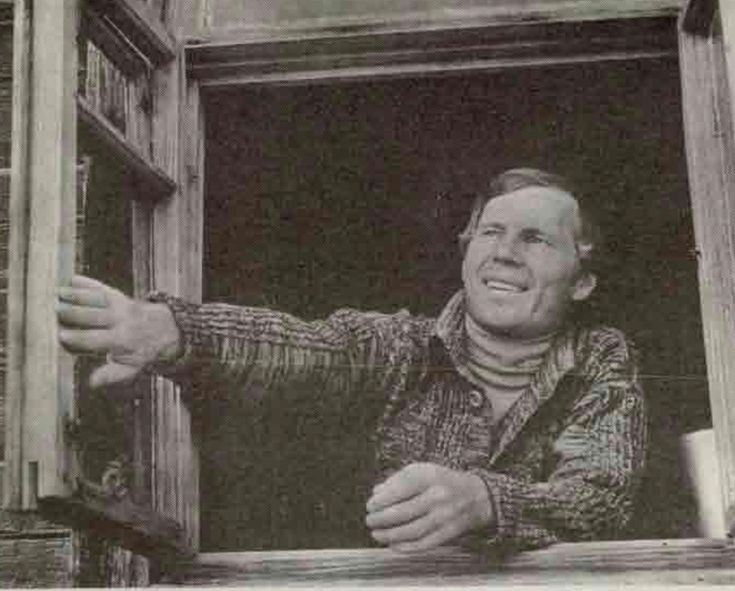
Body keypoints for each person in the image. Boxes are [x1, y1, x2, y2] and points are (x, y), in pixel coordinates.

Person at [57, 168, 646, 553]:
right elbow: (305, 350)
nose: (505, 253)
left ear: (583, 281)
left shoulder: (601, 359)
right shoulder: (401, 346)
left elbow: (599, 498)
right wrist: (174, 331)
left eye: (535, 239)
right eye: (491, 232)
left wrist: (487, 501)